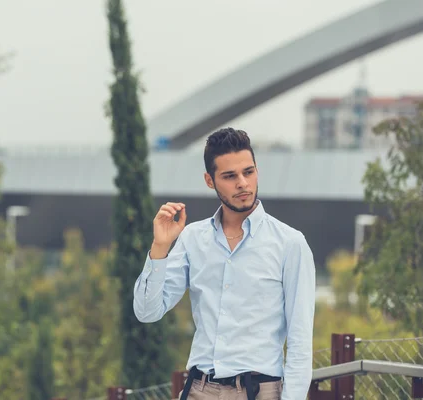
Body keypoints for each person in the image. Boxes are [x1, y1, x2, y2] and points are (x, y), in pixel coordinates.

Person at [133, 128, 316, 400]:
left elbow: (300, 342)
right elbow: (147, 312)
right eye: (230, 176)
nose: (242, 183)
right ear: (210, 180)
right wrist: (160, 248)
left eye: (248, 172)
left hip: (259, 391)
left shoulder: (290, 243)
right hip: (199, 388)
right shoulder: (192, 239)